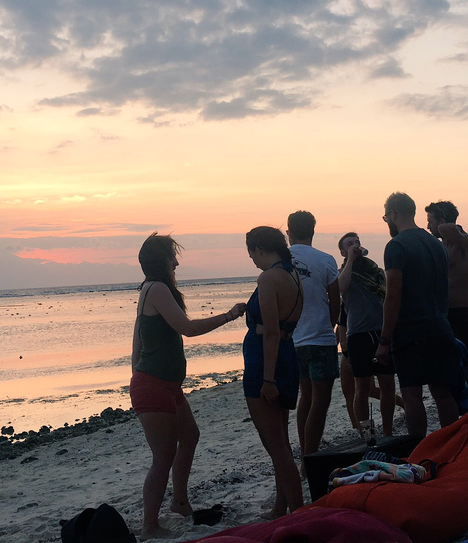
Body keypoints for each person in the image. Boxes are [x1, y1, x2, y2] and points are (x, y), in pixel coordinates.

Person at [130, 233, 246, 539]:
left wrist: (139, 378)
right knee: (162, 458)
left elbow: (137, 344)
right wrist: (229, 315)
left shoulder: (149, 290)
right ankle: (149, 526)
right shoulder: (156, 289)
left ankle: (179, 502)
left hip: (163, 385)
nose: (176, 262)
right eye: (172, 257)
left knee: (190, 436)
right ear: (161, 261)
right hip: (153, 385)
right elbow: (188, 328)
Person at [375, 192, 461, 439]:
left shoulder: (397, 246)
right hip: (440, 327)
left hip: (410, 332)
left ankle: (417, 450)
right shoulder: (437, 244)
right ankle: (452, 444)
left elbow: (393, 296)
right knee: (442, 392)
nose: (387, 221)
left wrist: (384, 340)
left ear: (393, 214)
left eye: (386, 217)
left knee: (412, 395)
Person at [243, 226, 304, 519]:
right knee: (281, 441)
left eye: (251, 253)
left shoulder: (269, 278)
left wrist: (267, 380)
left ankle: (298, 512)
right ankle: (283, 507)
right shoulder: (293, 274)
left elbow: (269, 334)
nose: (252, 260)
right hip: (288, 356)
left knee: (276, 447)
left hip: (267, 363)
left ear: (259, 249)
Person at [286, 211, 341, 462]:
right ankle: (310, 456)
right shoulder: (326, 260)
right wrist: (328, 327)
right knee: (320, 401)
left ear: (289, 233)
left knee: (305, 396)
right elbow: (335, 301)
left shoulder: (282, 262)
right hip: (319, 336)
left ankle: (306, 455)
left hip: (294, 339)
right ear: (313, 232)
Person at [338, 232, 399, 444]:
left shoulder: (376, 271)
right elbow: (340, 288)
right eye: (350, 244)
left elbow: (389, 295)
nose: (355, 245)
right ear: (343, 251)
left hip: (382, 333)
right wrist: (351, 262)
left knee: (388, 385)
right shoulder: (344, 272)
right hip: (358, 335)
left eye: (357, 242)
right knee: (362, 388)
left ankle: (388, 433)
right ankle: (368, 436)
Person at [425, 201, 468, 403]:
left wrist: (443, 223)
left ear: (441, 221)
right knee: (445, 373)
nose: (428, 227)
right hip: (442, 315)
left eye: (430, 221)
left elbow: (449, 229)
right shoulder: (440, 247)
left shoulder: (465, 242)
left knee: (466, 370)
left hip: (462, 312)